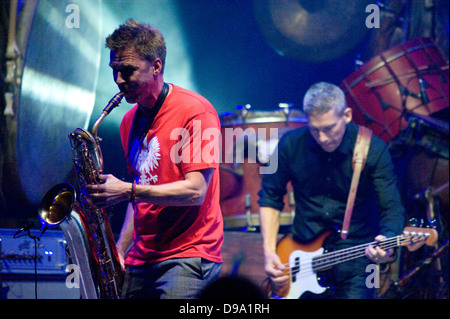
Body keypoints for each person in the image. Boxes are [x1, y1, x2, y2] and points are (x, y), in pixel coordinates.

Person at [83, 19, 223, 299]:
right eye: (115, 71)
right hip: (141, 256)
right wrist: (119, 250)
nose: (119, 81)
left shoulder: (197, 112)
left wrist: (126, 190)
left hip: (188, 255)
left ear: (156, 66)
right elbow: (140, 196)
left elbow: (195, 191)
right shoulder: (127, 122)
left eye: (128, 70)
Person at [258, 82, 405, 299]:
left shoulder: (375, 149)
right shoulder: (288, 143)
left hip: (361, 258)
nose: (323, 137)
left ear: (346, 115)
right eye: (315, 129)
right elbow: (269, 197)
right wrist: (270, 252)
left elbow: (392, 207)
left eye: (329, 128)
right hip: (302, 257)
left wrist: (388, 240)